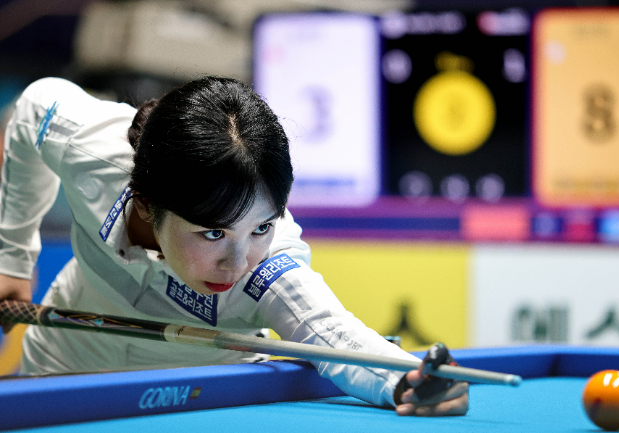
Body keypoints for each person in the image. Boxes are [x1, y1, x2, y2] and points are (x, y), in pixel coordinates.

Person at [0, 77, 468, 416]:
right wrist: (13, 257)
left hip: (202, 400)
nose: (240, 261)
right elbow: (34, 108)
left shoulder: (270, 269)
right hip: (64, 362)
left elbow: (329, 332)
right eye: (212, 233)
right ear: (146, 204)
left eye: (261, 227)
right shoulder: (94, 151)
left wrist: (407, 381)